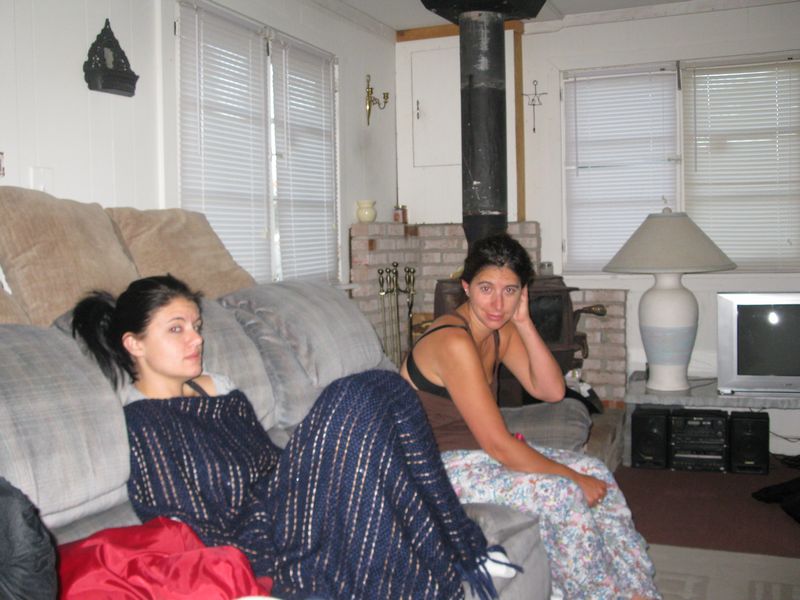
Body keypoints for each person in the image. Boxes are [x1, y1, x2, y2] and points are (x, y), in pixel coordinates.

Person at [71, 274, 507, 600]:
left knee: (387, 386)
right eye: (176, 328)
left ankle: (461, 544)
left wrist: (324, 477)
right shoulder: (143, 424)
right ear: (134, 344)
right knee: (351, 396)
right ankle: (442, 561)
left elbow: (268, 459)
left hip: (288, 498)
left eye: (196, 325)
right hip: (261, 539)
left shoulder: (218, 388)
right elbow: (180, 527)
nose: (196, 339)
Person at [401, 233, 660, 600]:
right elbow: (499, 445)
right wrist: (571, 477)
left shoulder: (498, 330)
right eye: (486, 288)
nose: (497, 303)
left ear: (522, 293)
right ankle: (599, 594)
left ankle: (637, 590)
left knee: (596, 471)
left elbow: (551, 390)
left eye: (509, 291)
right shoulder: (452, 342)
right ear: (466, 287)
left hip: (479, 458)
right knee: (564, 492)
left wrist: (523, 322)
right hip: (437, 471)